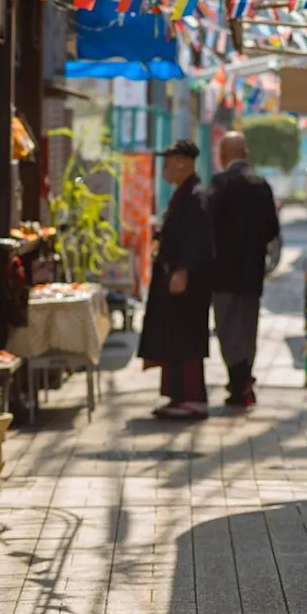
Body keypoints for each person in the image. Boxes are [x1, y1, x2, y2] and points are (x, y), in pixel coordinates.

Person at [138, 140, 214, 420]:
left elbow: (198, 240)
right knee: (175, 337)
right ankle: (178, 395)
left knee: (186, 339)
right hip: (174, 277)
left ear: (182, 163)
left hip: (188, 283)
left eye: (169, 162)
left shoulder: (195, 196)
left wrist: (182, 270)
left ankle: (192, 397)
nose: (165, 169)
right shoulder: (184, 194)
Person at [210, 131, 280, 407]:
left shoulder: (219, 184)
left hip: (222, 272)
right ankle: (244, 380)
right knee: (248, 326)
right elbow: (272, 228)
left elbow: (209, 227)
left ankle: (238, 382)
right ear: (246, 154)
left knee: (226, 327)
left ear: (223, 155)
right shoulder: (261, 185)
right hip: (251, 271)